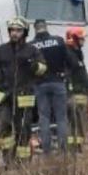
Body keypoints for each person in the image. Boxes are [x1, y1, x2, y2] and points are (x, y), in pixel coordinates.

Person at [0, 18, 46, 165]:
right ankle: (8, 160)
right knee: (4, 129)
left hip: (24, 98)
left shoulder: (32, 50)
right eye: (12, 30)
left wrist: (32, 64)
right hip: (4, 97)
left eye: (18, 31)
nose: (14, 33)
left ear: (24, 32)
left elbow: (43, 69)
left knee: (23, 132)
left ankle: (23, 163)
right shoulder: (1, 51)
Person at [30, 19, 70, 155]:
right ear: (46, 27)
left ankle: (46, 150)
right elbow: (68, 60)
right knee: (61, 117)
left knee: (44, 117)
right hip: (58, 81)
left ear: (35, 29)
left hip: (40, 84)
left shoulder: (31, 45)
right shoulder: (58, 41)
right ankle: (63, 149)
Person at [65, 27, 88, 152]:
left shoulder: (78, 53)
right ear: (73, 39)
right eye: (81, 39)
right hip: (74, 93)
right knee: (74, 121)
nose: (83, 41)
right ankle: (73, 147)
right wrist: (70, 91)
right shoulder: (69, 54)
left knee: (79, 121)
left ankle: (78, 146)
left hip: (81, 92)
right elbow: (69, 74)